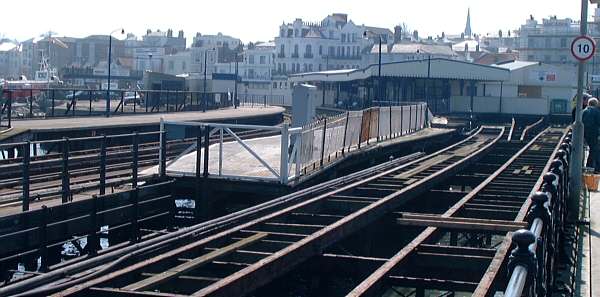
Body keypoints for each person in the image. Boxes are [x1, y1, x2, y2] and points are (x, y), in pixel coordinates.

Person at [582, 97, 600, 172]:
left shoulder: (583, 111)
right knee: (595, 150)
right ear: (596, 104)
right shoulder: (596, 111)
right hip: (594, 133)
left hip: (585, 134)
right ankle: (595, 167)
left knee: (592, 150)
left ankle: (589, 166)